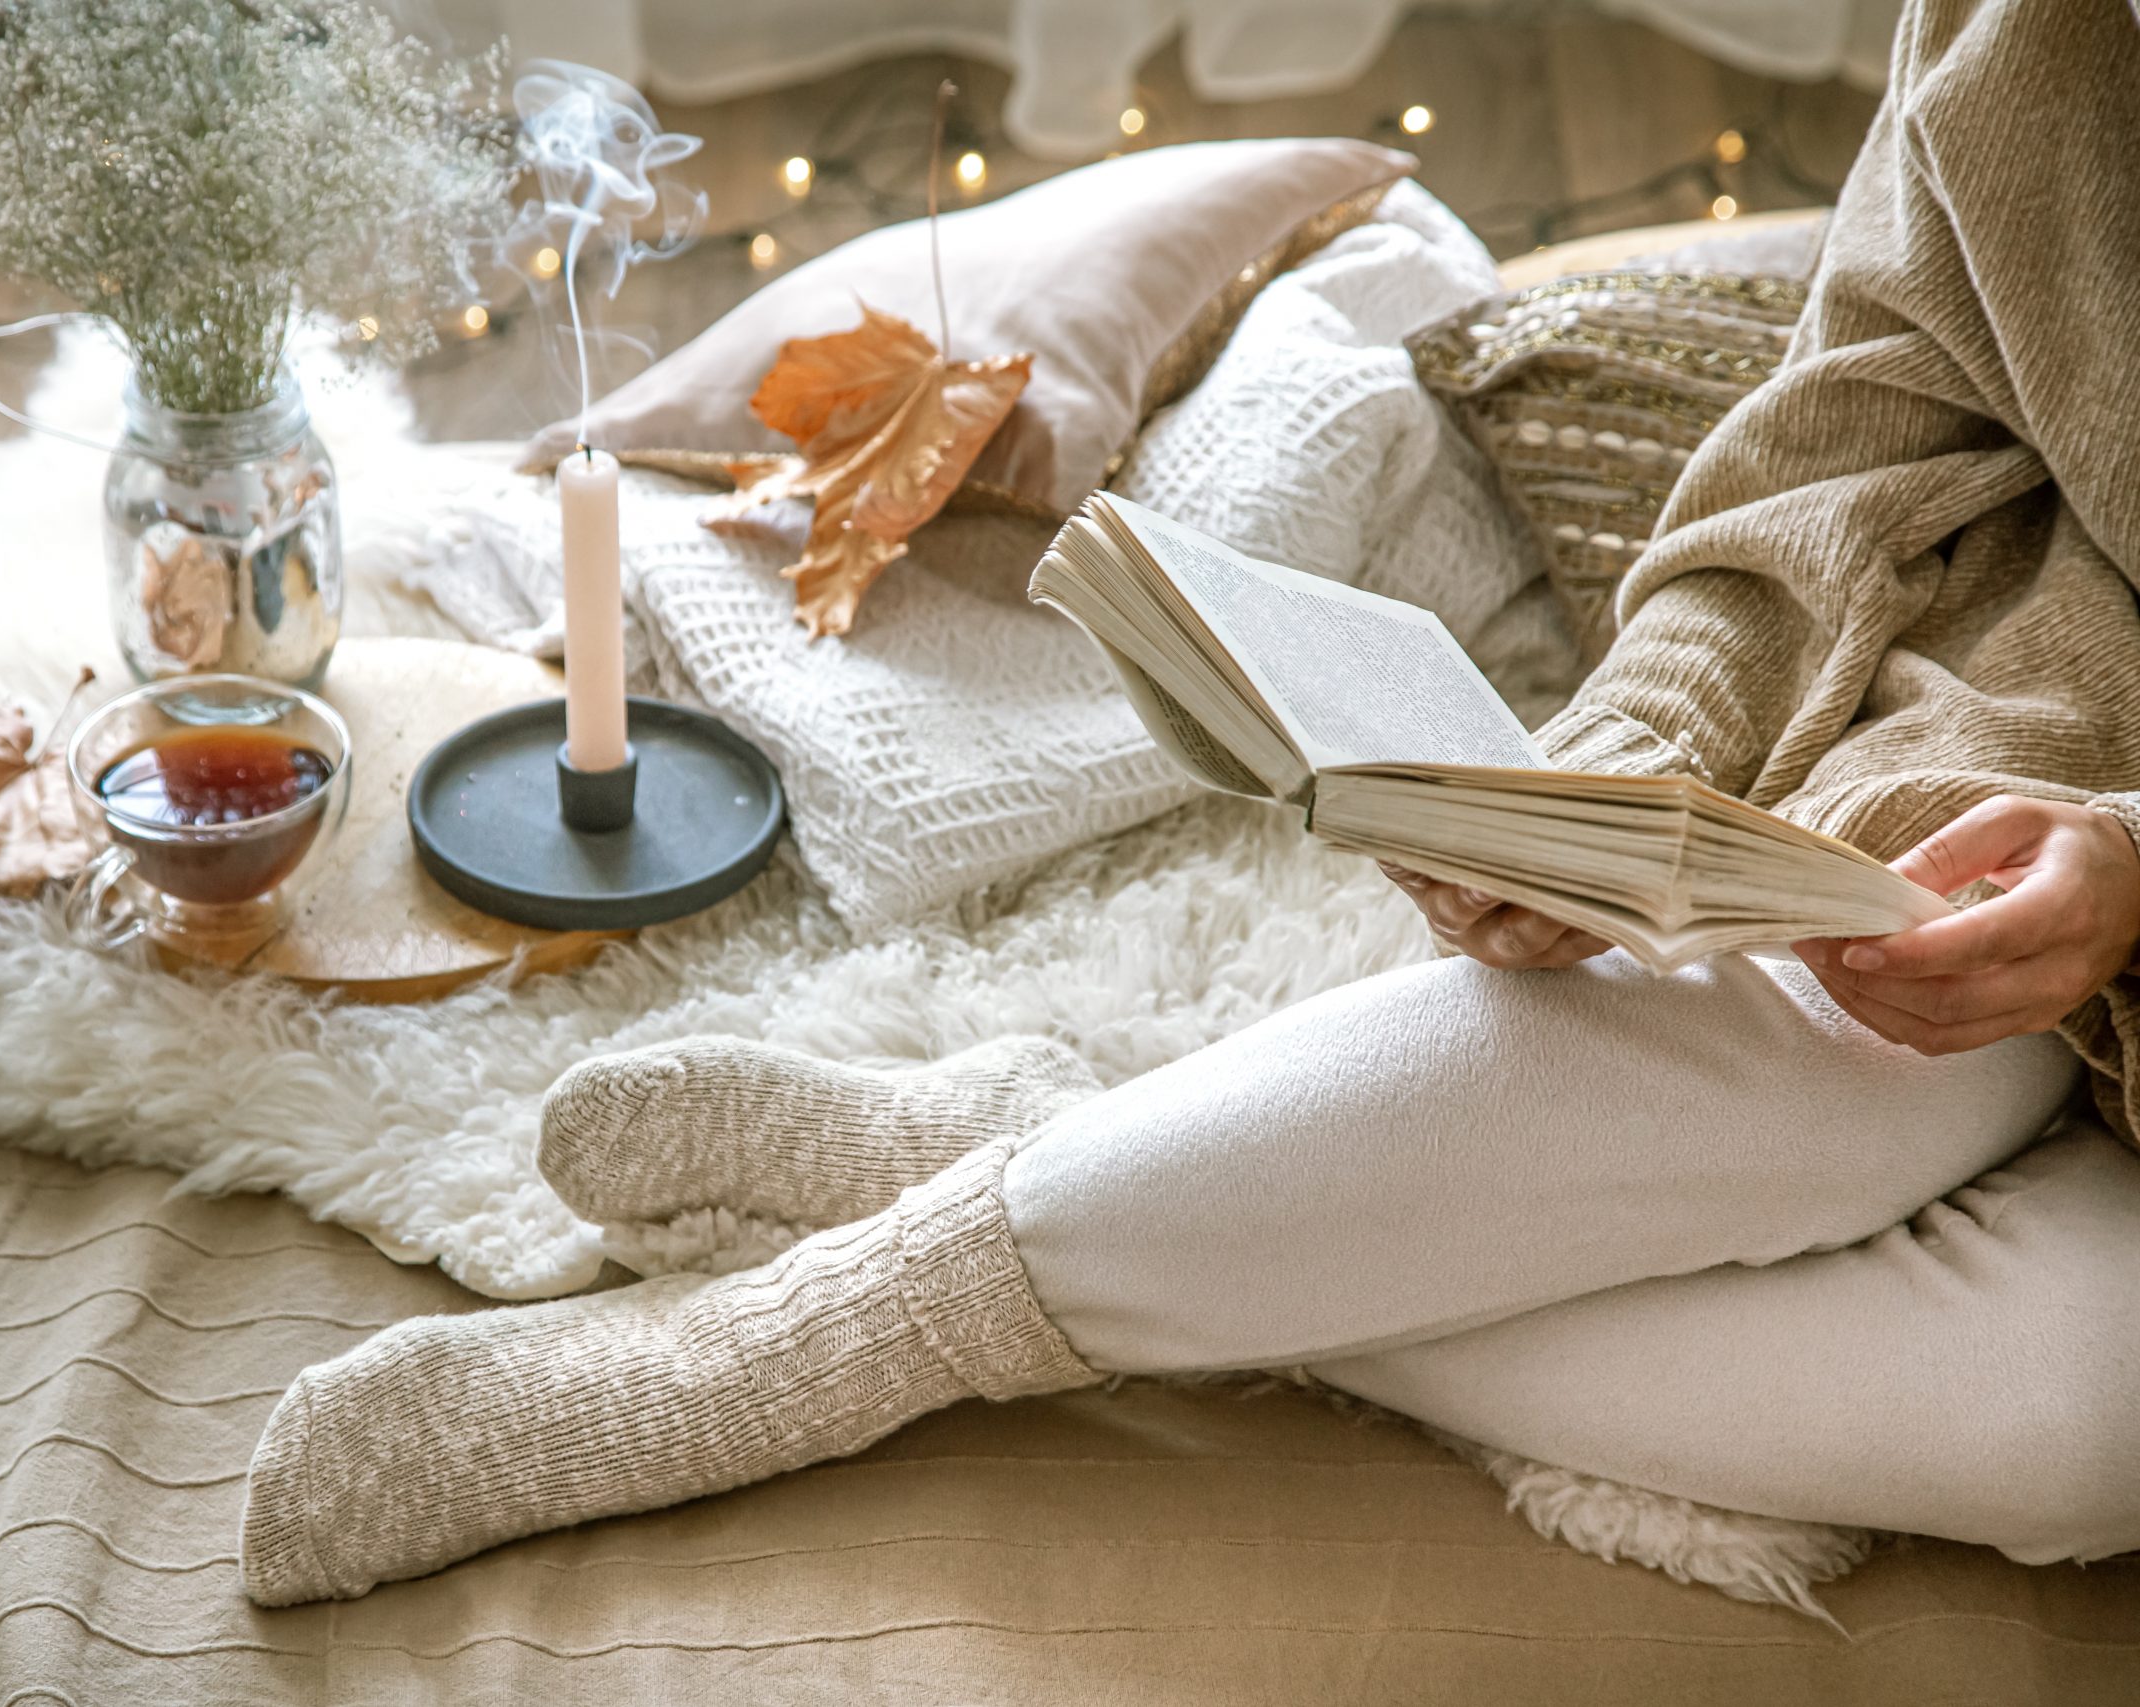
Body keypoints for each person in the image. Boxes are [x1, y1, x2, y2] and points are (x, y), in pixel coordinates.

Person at [235, 0, 2140, 1606]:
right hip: (2010, 745)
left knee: (2078, 1433)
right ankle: (815, 1348)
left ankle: (1049, 1154)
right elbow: (1851, 429)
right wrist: (1626, 764)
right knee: (1809, 1047)